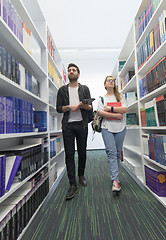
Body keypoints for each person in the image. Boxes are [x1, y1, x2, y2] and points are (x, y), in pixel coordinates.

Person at [56, 63, 93, 200]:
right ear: (68, 74)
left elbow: (90, 107)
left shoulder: (85, 89)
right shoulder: (62, 90)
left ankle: (81, 175)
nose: (71, 72)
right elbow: (58, 108)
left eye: (74, 70)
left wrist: (84, 106)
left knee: (82, 152)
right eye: (69, 70)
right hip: (68, 126)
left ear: (78, 74)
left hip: (82, 124)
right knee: (69, 154)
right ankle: (72, 184)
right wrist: (68, 107)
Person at [97, 76, 127, 192]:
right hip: (106, 128)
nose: (111, 81)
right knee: (111, 152)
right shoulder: (102, 99)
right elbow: (100, 112)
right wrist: (116, 115)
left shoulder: (120, 96)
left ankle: (116, 177)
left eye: (112, 80)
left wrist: (109, 108)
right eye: (108, 80)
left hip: (121, 128)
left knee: (118, 154)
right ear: (105, 84)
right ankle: (115, 180)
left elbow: (125, 110)